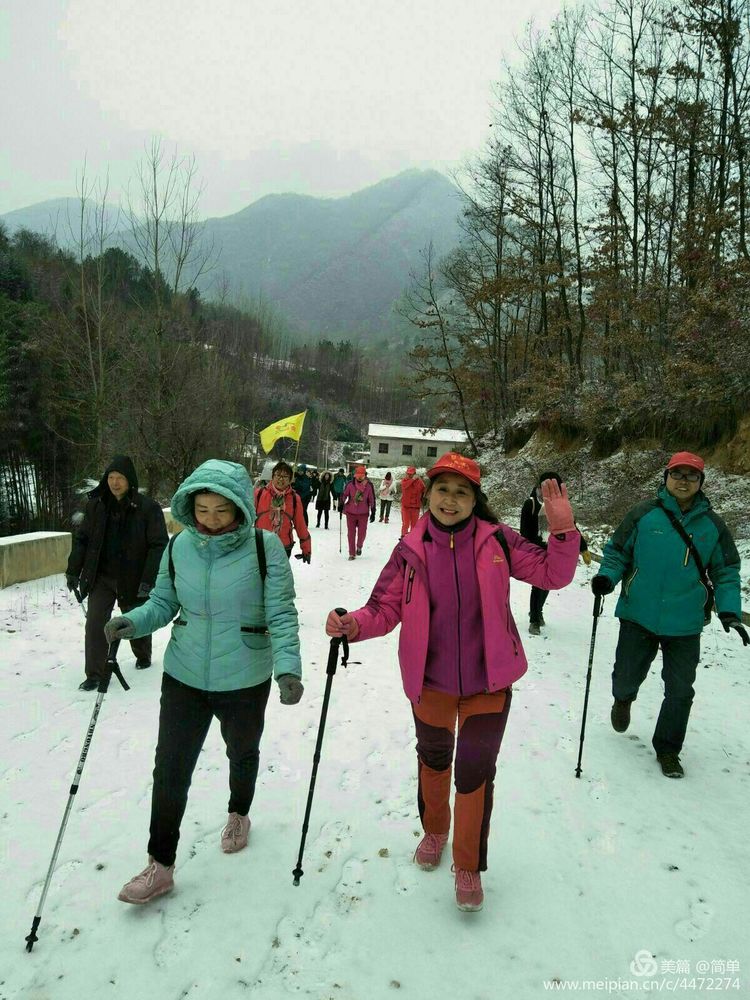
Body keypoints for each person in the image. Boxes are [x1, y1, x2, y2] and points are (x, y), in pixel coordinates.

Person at [326, 452, 580, 911]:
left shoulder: (497, 541)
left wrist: (562, 530)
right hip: (432, 683)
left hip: (489, 683)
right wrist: (353, 625)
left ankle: (467, 863)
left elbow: (553, 574)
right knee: (435, 762)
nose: (450, 499)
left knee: (474, 773)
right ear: (428, 495)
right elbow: (384, 607)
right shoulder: (410, 549)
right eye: (443, 489)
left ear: (475, 499)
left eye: (462, 492)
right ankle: (435, 830)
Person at [104, 459, 304, 905]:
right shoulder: (178, 548)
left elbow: (282, 613)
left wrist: (288, 667)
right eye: (202, 509)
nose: (211, 520)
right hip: (185, 674)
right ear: (190, 506)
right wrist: (132, 623)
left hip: (245, 676)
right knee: (170, 767)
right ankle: (160, 864)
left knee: (242, 752)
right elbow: (162, 602)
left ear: (238, 508)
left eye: (221, 510)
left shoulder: (263, 547)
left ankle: (239, 813)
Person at [592, 451, 745, 779]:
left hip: (685, 622)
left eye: (691, 475)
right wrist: (607, 577)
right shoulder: (643, 514)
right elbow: (618, 551)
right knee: (627, 674)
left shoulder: (713, 526)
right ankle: (623, 699)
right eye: (678, 474)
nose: (683, 480)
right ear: (666, 477)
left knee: (680, 690)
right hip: (638, 614)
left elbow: (727, 570)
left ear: (701, 482)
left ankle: (668, 749)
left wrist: (730, 610)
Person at [65, 454, 168, 690]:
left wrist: (148, 580)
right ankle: (95, 674)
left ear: (129, 480)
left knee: (133, 620)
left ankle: (143, 654)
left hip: (133, 578)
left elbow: (158, 545)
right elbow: (82, 539)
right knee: (95, 623)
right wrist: (73, 570)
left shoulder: (147, 508)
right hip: (101, 577)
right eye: (110, 477)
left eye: (119, 477)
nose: (114, 483)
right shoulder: (96, 506)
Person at [520, 471, 591, 635]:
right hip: (536, 552)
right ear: (540, 486)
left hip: (555, 552)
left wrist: (583, 547)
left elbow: (571, 528)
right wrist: (532, 550)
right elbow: (525, 532)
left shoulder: (560, 506)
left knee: (547, 585)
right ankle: (534, 620)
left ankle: (538, 611)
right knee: (538, 586)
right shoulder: (530, 504)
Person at [255, 461, 312, 562]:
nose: (281, 479)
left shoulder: (294, 498)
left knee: (278, 577)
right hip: (259, 545)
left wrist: (306, 547)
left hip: (283, 547)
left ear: (290, 479)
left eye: (285, 476)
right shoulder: (259, 493)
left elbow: (300, 524)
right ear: (272, 476)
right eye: (278, 475)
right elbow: (246, 519)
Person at [340, 464, 376, 560]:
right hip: (350, 512)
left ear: (365, 475)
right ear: (355, 475)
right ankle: (352, 553)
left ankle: (359, 546)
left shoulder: (369, 486)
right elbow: (344, 495)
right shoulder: (350, 484)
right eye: (358, 475)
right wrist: (341, 503)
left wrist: (373, 510)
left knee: (362, 533)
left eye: (361, 476)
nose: (359, 478)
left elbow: (372, 499)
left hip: (363, 513)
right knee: (351, 533)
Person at [399, 466, 425, 537]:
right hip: (406, 507)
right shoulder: (404, 481)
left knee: (414, 525)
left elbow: (424, 489)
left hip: (415, 507)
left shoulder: (419, 482)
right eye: (408, 474)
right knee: (405, 524)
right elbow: (404, 486)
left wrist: (423, 496)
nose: (410, 475)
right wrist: (412, 480)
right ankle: (403, 537)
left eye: (411, 474)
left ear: (415, 474)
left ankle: (412, 539)